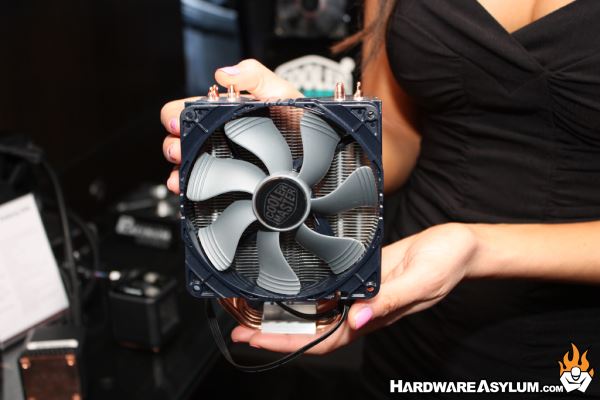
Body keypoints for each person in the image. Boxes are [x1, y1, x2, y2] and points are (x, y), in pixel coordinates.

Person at [161, 0, 600, 396]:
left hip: (568, 343)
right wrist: (308, 128)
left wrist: (477, 248)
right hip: (408, 303)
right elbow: (395, 136)